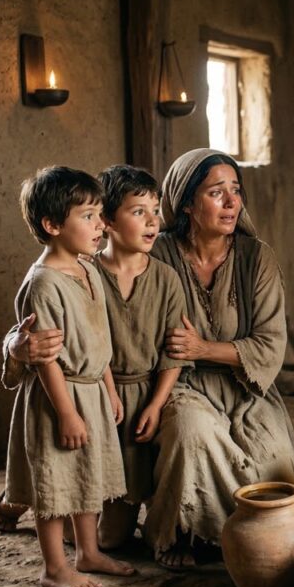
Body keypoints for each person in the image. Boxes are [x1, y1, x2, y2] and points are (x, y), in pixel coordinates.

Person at [4, 149, 294, 570]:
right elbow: (57, 294)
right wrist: (16, 346)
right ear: (186, 201)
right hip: (169, 387)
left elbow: (270, 346)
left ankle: (237, 536)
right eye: (216, 193)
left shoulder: (257, 259)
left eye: (236, 191)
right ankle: (179, 532)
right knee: (186, 435)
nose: (231, 202)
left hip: (243, 387)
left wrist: (203, 348)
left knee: (272, 461)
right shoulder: (148, 252)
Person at [5, 165, 134, 587]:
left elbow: (102, 338)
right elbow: (46, 360)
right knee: (55, 483)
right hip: (57, 397)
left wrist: (110, 390)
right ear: (52, 225)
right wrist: (66, 413)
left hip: (92, 390)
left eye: (100, 214)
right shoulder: (42, 284)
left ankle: (89, 552)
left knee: (86, 475)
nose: (100, 224)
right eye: (88, 216)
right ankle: (54, 567)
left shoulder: (88, 268)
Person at [91, 165, 192, 547]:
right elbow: (84, 344)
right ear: (107, 220)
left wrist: (155, 404)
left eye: (155, 210)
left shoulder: (166, 278)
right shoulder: (85, 273)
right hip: (96, 396)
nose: (153, 222)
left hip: (140, 399)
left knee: (112, 539)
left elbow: (174, 352)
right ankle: (39, 502)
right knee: (82, 511)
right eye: (138, 212)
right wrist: (108, 391)